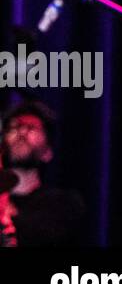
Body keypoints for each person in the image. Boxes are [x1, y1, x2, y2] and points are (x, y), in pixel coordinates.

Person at [1, 99, 86, 246]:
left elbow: (41, 235)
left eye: (31, 128)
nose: (21, 132)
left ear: (47, 152)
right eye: (14, 127)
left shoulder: (63, 204)